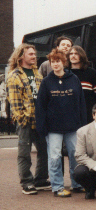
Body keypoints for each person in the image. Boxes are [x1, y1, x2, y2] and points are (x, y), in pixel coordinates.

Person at [36, 49, 88, 197]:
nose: (56, 64)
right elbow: (40, 106)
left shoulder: (74, 79)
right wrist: (42, 127)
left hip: (73, 126)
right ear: (50, 64)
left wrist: (82, 124)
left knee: (75, 155)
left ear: (64, 62)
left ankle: (77, 184)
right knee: (54, 157)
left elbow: (81, 103)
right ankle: (57, 187)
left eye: (58, 61)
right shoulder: (46, 82)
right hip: (53, 128)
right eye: (53, 62)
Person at [6, 43, 50, 195]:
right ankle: (26, 182)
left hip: (40, 120)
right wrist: (23, 119)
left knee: (44, 150)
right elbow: (14, 102)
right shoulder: (14, 76)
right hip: (25, 121)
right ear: (21, 56)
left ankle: (41, 179)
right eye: (31, 54)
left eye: (34, 54)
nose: (34, 56)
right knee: (24, 153)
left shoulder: (37, 73)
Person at [68, 46, 96, 123]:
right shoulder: (65, 73)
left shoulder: (91, 72)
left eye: (76, 53)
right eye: (71, 54)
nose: (73, 56)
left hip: (88, 115)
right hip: (69, 115)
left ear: (82, 55)